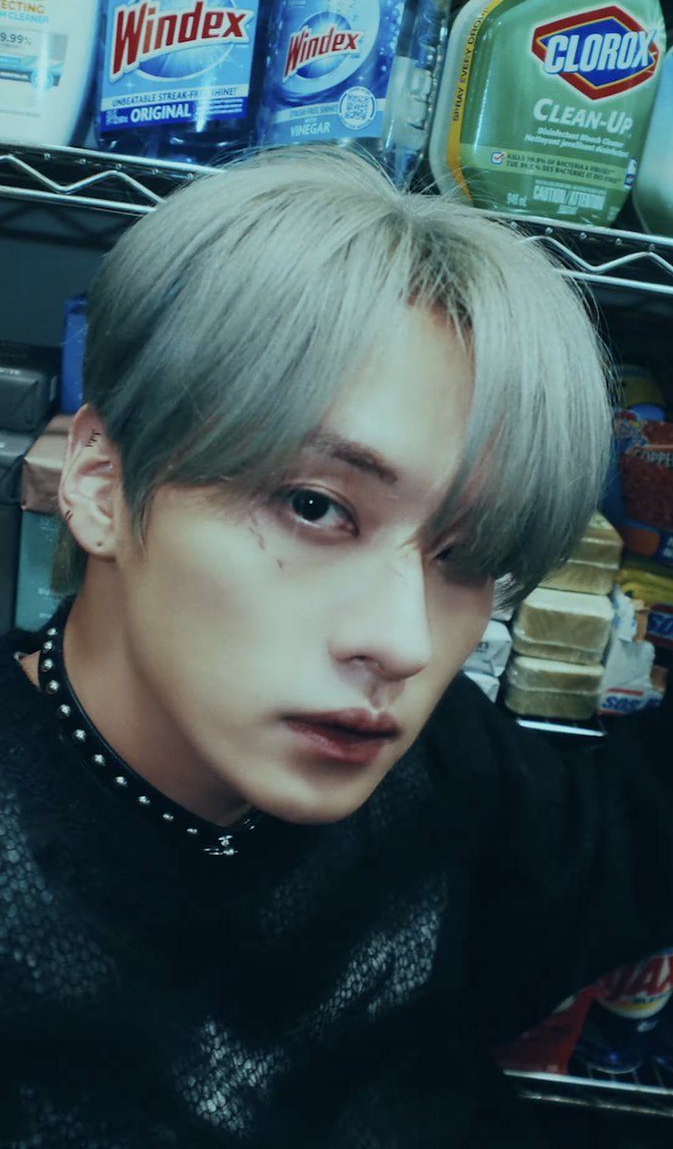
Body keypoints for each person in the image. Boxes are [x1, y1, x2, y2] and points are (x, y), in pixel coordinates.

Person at [1, 144, 672, 1148]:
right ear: (101, 484)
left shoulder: (444, 768)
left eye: (463, 554)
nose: (401, 643)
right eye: (314, 506)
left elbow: (629, 834)